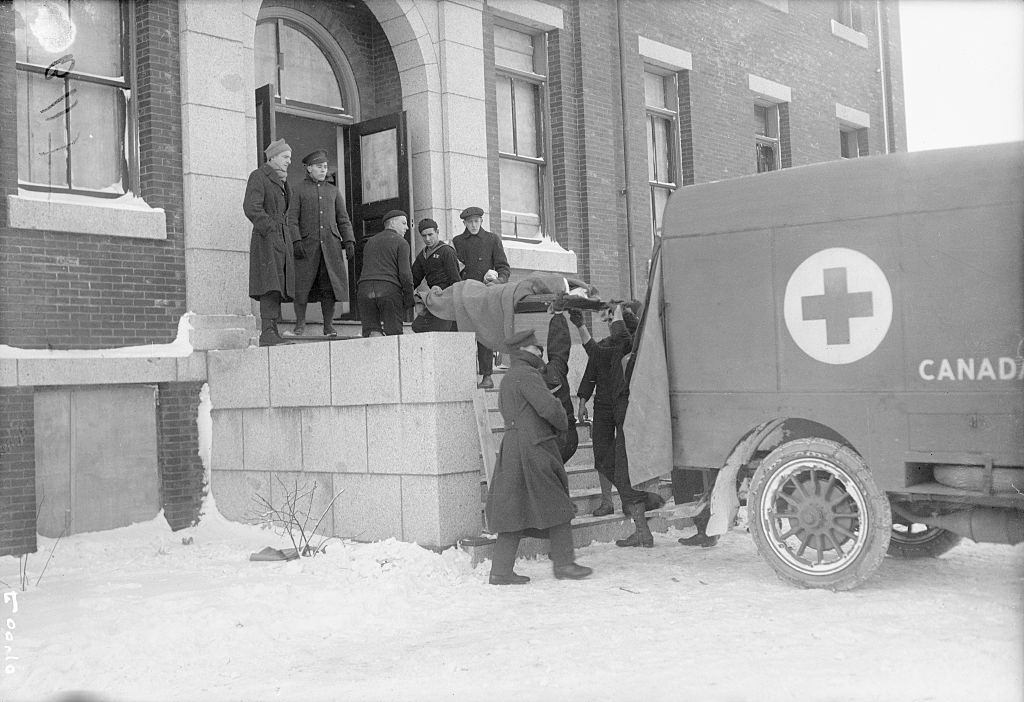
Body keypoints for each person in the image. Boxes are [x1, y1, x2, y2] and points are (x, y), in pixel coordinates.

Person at [485, 328, 593, 585]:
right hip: (534, 447)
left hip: (514, 447)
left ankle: (500, 571)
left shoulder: (511, 377)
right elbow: (549, 409)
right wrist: (559, 413)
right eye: (536, 348)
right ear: (524, 351)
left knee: (513, 509)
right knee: (557, 504)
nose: (540, 351)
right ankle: (565, 564)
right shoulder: (529, 375)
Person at [575, 302, 664, 547]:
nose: (610, 325)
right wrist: (581, 325)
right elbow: (594, 356)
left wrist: (618, 312)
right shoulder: (610, 346)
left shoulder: (634, 343)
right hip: (606, 406)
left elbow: (625, 335)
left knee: (624, 467)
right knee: (604, 460)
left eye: (612, 321)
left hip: (627, 411)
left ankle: (641, 518)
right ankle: (636, 504)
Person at [287, 149, 355, 337]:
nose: (323, 170)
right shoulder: (299, 189)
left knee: (329, 287)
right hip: (306, 248)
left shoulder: (333, 191)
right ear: (309, 169)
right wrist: (296, 240)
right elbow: (291, 219)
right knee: (302, 286)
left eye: (325, 167)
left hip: (331, 248)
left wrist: (349, 240)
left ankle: (328, 325)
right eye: (319, 167)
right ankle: (300, 325)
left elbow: (343, 218)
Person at [244, 138, 299, 347]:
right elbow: (251, 207)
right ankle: (267, 332)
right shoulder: (259, 176)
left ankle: (272, 330)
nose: (289, 161)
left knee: (277, 285)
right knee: (269, 285)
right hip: (266, 240)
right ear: (273, 157)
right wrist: (271, 228)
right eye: (285, 157)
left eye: (290, 158)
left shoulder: (284, 182)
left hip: (281, 239)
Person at [452, 206, 510, 389]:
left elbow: (504, 267)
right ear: (464, 223)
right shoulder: (457, 241)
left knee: (484, 333)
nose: (474, 225)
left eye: (476, 221)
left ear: (482, 221)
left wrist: (498, 281)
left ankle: (487, 375)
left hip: (485, 293)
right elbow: (455, 268)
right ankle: (465, 375)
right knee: (464, 333)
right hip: (465, 294)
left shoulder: (492, 239)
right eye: (470, 222)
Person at [356, 210, 414, 337]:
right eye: (404, 223)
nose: (407, 227)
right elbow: (405, 274)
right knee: (394, 335)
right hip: (388, 290)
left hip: (364, 290)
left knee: (372, 334)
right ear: (392, 224)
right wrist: (409, 298)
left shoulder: (370, 242)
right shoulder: (401, 242)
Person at [411, 218, 461, 333]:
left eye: (430, 234)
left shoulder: (447, 251)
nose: (427, 239)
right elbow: (414, 279)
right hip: (433, 300)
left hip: (447, 300)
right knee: (417, 326)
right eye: (424, 236)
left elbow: (456, 280)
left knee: (440, 332)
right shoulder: (423, 255)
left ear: (437, 232)